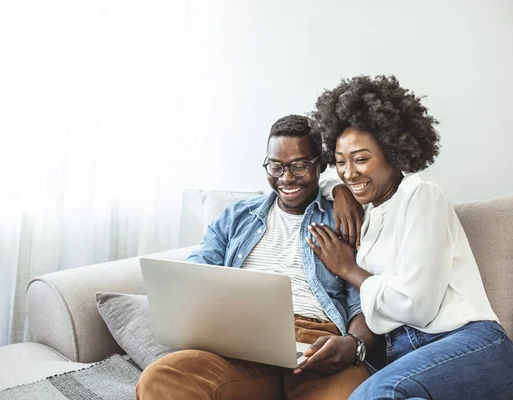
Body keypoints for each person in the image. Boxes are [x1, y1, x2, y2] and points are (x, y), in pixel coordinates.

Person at [302, 75, 513, 399]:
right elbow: (323, 183)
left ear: (393, 152)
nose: (350, 172)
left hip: (472, 348)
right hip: (413, 361)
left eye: (361, 159)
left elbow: (418, 306)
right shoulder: (368, 209)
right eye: (340, 162)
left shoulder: (420, 195)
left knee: (373, 393)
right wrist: (338, 190)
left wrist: (348, 269)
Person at [136, 115, 375, 400]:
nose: (286, 178)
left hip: (315, 346)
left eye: (299, 166)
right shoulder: (237, 217)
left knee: (353, 394)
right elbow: (196, 274)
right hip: (240, 346)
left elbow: (365, 302)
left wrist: (354, 344)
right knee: (160, 379)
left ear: (320, 164)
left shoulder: (343, 218)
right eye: (276, 166)